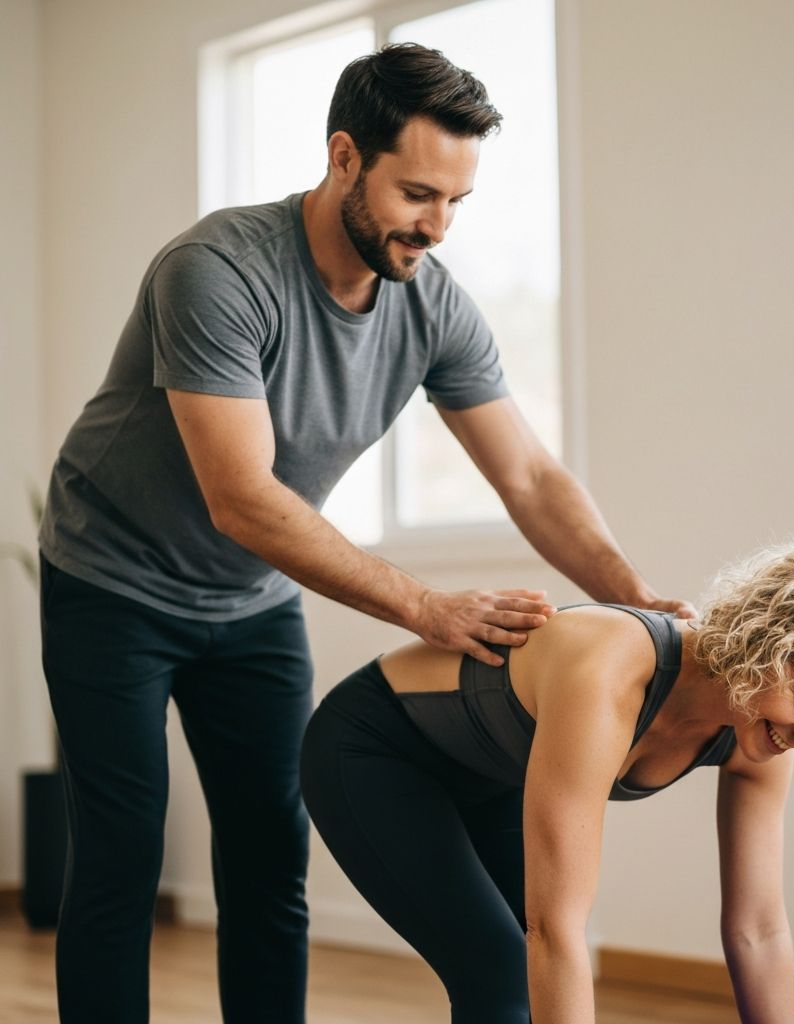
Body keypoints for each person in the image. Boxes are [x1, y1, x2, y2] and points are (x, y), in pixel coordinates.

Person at [36, 43, 688, 1024]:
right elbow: (243, 498)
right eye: (418, 193)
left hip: (249, 603)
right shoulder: (215, 271)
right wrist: (427, 605)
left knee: (269, 855)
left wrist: (635, 597)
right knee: (122, 848)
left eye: (457, 201)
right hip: (112, 581)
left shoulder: (431, 305)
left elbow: (528, 474)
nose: (437, 225)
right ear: (345, 157)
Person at [300, 540, 794, 1024]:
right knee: (502, 975)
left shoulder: (765, 736)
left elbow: (758, 927)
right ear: (765, 647)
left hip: (492, 774)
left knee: (524, 980)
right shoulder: (614, 669)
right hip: (376, 749)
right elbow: (556, 927)